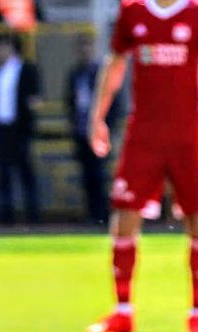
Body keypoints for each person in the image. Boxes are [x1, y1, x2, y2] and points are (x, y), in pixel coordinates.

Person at [86, 0, 198, 332]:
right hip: (144, 133)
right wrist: (97, 116)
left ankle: (197, 314)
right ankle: (123, 311)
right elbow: (115, 64)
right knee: (125, 216)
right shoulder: (133, 11)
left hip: (188, 134)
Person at [0, 33, 41, 224]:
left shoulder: (26, 69)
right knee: (3, 173)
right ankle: (6, 215)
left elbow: (34, 96)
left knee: (25, 171)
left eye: (2, 46)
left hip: (20, 128)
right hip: (1, 128)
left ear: (11, 47)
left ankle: (33, 213)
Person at [67, 34, 117, 225]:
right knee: (87, 175)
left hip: (99, 132)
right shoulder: (75, 73)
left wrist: (106, 126)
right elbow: (70, 102)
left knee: (99, 175)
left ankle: (102, 214)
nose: (84, 51)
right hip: (81, 131)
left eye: (87, 47)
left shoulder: (100, 72)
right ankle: (91, 213)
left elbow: (114, 100)